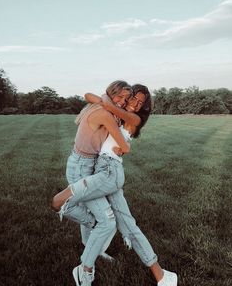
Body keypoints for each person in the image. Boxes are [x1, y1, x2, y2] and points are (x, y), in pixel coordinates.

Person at [52, 85, 178, 286]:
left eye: (140, 103)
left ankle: (61, 204)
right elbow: (90, 96)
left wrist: (107, 102)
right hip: (104, 169)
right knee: (127, 224)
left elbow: (110, 110)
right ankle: (161, 276)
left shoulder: (132, 119)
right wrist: (106, 100)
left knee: (71, 202)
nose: (135, 105)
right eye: (133, 99)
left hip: (109, 172)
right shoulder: (117, 113)